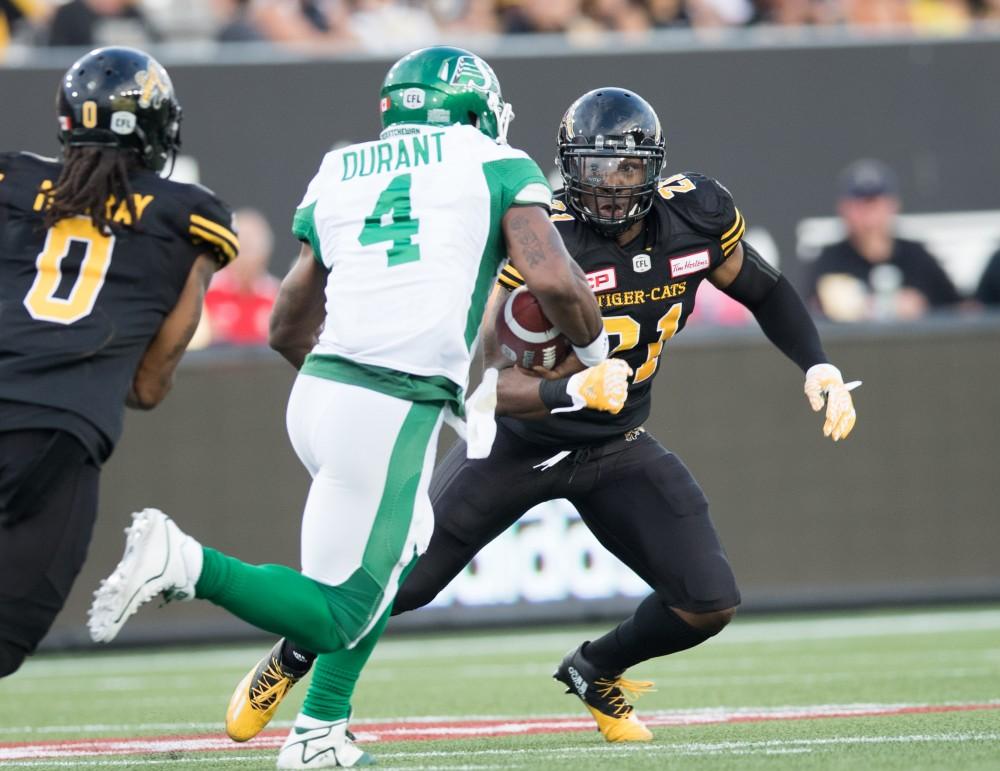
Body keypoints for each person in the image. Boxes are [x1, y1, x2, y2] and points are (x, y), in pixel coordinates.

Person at [225, 87, 860, 746]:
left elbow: (765, 287)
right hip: (512, 445)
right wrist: (575, 390)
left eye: (628, 168)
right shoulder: (539, 236)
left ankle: (596, 667)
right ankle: (292, 656)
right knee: (399, 582)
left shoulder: (697, 213)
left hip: (615, 444)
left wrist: (816, 364)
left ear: (657, 166)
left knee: (708, 600)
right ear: (566, 168)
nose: (613, 186)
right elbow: (483, 380)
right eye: (597, 168)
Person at [88, 46, 621, 769]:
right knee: (340, 611)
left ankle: (319, 731)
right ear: (470, 104)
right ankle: (182, 561)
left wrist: (343, 392)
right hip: (387, 398)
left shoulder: (341, 167)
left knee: (400, 552)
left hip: (322, 388)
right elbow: (554, 279)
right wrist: (597, 359)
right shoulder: (492, 161)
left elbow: (285, 325)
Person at [0, 46, 237, 678]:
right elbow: (149, 385)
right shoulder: (188, 216)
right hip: (57, 430)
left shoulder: (12, 181)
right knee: (7, 629)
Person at [810, 158, 962, 321]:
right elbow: (808, 317)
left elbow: (961, 311)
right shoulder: (829, 261)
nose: (868, 216)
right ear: (843, 209)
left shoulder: (917, 257)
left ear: (893, 205)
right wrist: (872, 307)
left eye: (875, 204)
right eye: (859, 206)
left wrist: (923, 307)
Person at [201, 208, 280, 346]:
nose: (244, 256)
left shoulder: (279, 297)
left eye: (250, 246)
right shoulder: (205, 292)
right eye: (240, 246)